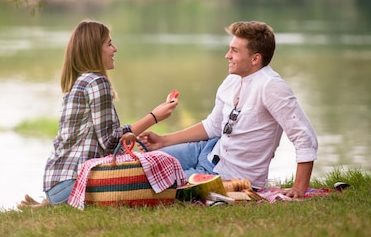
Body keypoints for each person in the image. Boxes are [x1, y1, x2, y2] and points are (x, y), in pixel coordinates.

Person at [138, 21, 318, 198]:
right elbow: (213, 126)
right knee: (141, 165)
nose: (227, 56)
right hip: (206, 150)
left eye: (235, 51)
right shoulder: (232, 79)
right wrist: (163, 141)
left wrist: (299, 188)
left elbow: (304, 136)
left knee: (147, 181)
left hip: (232, 178)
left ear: (255, 58)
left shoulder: (272, 87)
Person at [23, 20, 179, 208]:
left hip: (56, 183)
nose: (115, 49)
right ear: (94, 50)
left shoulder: (79, 82)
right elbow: (110, 141)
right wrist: (154, 117)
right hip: (73, 183)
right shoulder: (97, 83)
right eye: (109, 44)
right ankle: (57, 203)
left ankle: (50, 203)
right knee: (161, 169)